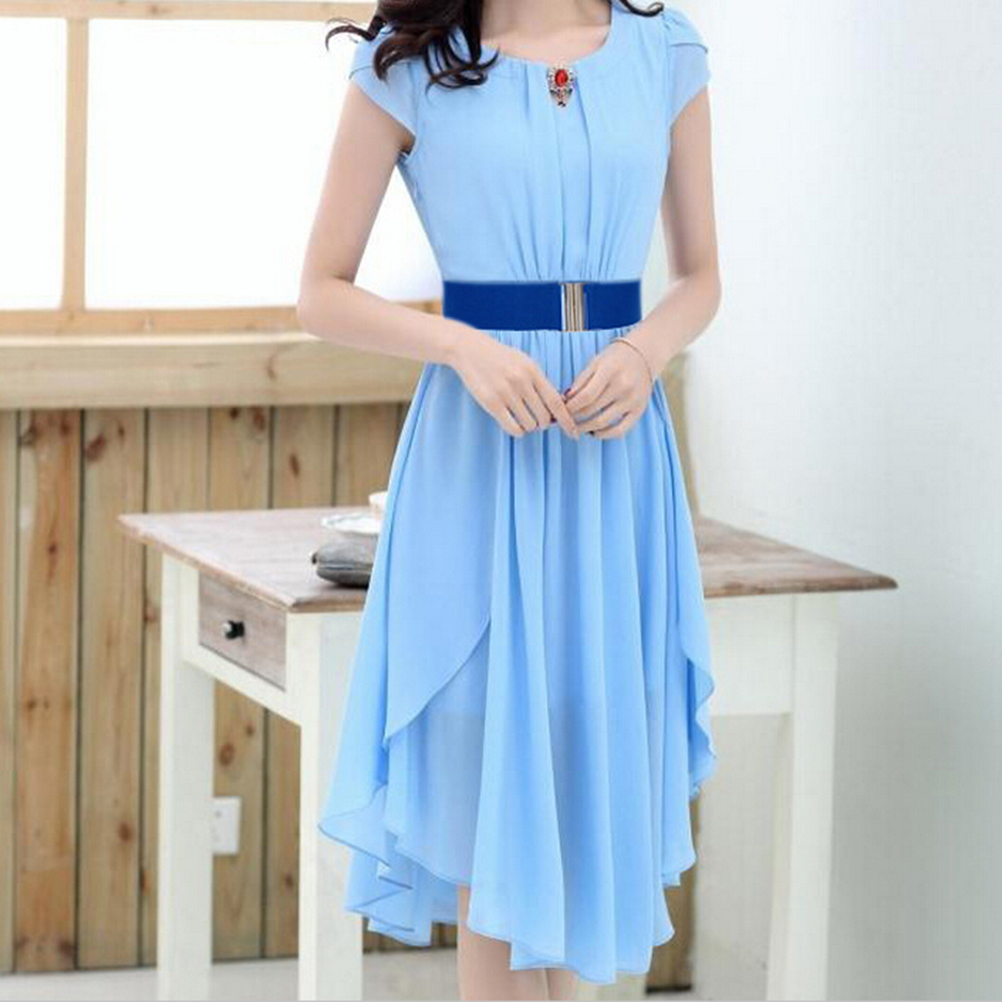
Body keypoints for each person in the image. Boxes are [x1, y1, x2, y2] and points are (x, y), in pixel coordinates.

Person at [296, 0, 720, 997]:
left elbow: (701, 278)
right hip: (478, 459)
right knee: (495, 804)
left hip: (613, 459)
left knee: (584, 782)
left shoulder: (666, 50)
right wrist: (461, 346)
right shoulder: (412, 65)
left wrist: (644, 353)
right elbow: (319, 290)